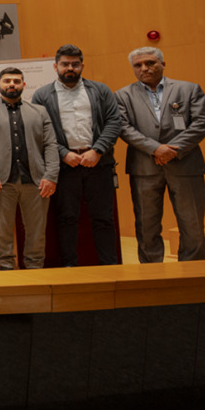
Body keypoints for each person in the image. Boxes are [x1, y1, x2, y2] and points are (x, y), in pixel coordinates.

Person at [31, 44, 123, 266]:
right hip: (65, 167)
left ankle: (109, 266)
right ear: (56, 66)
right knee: (67, 219)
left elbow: (114, 121)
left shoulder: (100, 90)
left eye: (74, 64)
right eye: (65, 64)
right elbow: (40, 130)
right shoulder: (42, 95)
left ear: (82, 65)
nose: (70, 68)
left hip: (99, 164)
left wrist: (98, 150)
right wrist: (63, 153)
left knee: (103, 219)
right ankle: (70, 267)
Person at [116, 46, 205, 262]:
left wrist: (172, 150)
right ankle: (152, 276)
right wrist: (155, 148)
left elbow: (202, 122)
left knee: (192, 223)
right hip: (144, 168)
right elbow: (124, 128)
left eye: (150, 63)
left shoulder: (188, 89)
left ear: (162, 64)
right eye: (138, 65)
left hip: (186, 165)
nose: (144, 68)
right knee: (146, 225)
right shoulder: (122, 95)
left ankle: (194, 275)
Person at [0, 67, 59, 270]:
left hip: (37, 181)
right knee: (2, 229)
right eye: (7, 81)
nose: (12, 84)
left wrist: (51, 176)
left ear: (23, 85)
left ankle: (35, 266)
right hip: (1, 181)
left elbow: (51, 145)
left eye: (16, 81)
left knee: (37, 230)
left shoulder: (39, 111)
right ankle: (6, 267)